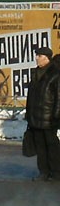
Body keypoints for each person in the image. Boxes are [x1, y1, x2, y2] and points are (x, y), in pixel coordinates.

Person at [24, 46, 60, 181]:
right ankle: (43, 172)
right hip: (36, 117)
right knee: (40, 147)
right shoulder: (35, 73)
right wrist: (28, 113)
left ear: (47, 58)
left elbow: (58, 97)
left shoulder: (55, 74)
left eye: (39, 56)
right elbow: (31, 96)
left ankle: (56, 173)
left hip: (49, 118)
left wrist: (56, 116)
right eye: (37, 55)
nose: (36, 58)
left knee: (52, 146)